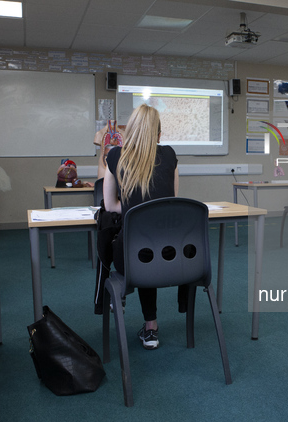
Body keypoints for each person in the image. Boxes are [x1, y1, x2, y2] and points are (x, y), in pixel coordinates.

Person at [103, 104, 180, 350]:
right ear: (158, 134)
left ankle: (119, 291)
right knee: (149, 244)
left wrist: (131, 209)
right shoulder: (169, 155)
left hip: (130, 259)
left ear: (131, 130)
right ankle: (151, 329)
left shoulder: (115, 155)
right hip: (171, 256)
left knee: (122, 237)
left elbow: (110, 205)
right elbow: (172, 203)